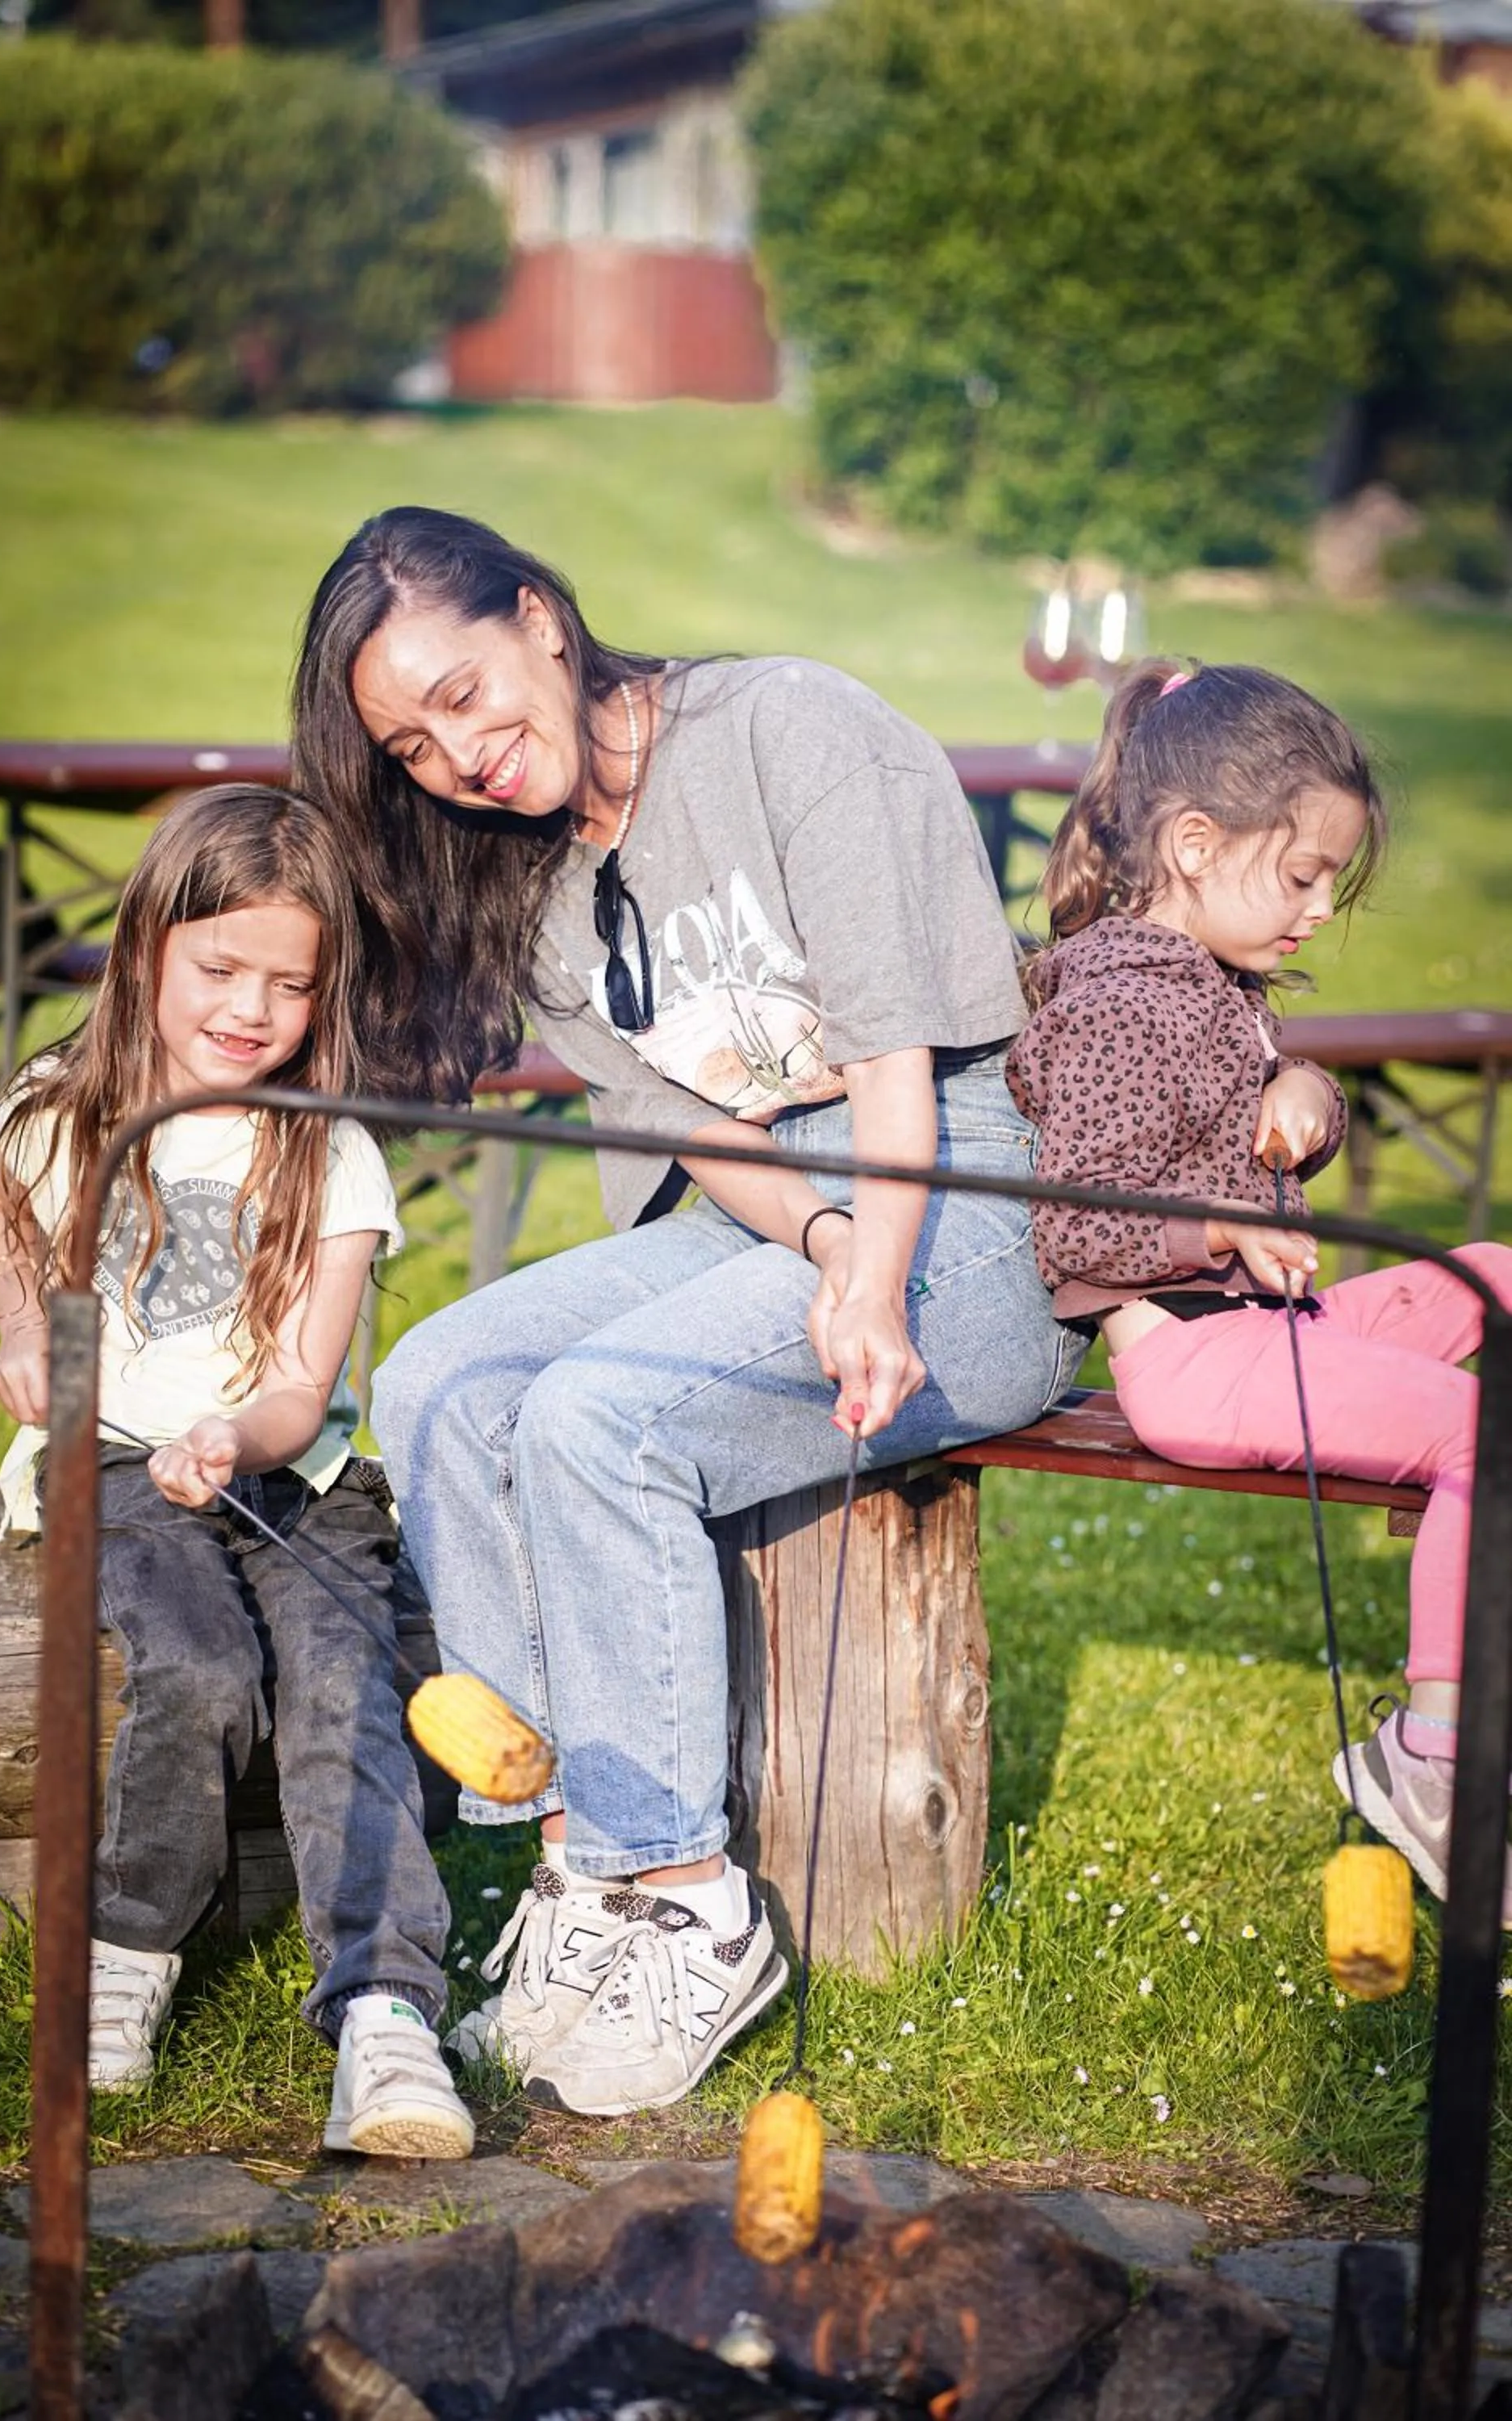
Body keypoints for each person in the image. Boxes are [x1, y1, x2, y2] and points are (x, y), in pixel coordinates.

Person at [290, 506, 1084, 2118]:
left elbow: (886, 1059)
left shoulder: (786, 728)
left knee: (602, 1413)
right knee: (444, 1378)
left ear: (540, 616)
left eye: (461, 690)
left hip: (973, 1205)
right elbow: (708, 1140)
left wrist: (871, 1272)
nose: (454, 753)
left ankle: (691, 1900)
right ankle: (584, 1869)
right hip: (787, 1211)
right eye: (407, 742)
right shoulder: (533, 893)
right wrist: (822, 1238)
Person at [0, 784, 474, 2155]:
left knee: (340, 1680)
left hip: (290, 1472)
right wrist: (25, 1335)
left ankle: (384, 2010)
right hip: (121, 1462)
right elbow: (2, 1218)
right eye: (220, 969)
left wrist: (236, 1438)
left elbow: (305, 1385)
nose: (252, 1009)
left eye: (289, 985)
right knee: (194, 1665)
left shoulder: (332, 1153)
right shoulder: (61, 1111)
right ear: (145, 950)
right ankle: (123, 1955)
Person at [1005, 659, 1512, 1913]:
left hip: (1264, 1320)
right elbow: (1077, 1223)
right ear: (1192, 842)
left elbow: (1273, 1115)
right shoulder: (1124, 999)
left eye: (1332, 879)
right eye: (1302, 875)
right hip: (1190, 1354)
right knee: (1477, 1434)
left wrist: (1308, 1100)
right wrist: (1222, 1229)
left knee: (1492, 1273)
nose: (1321, 907)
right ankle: (1432, 1761)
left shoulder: (1214, 984)